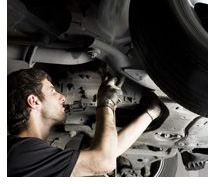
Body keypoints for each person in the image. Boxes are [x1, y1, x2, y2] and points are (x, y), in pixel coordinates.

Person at [7, 68, 161, 177]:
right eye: (53, 91)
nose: (62, 96)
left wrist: (151, 113)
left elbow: (107, 153)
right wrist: (105, 104)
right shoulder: (20, 154)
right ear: (33, 101)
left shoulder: (26, 154)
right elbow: (103, 161)